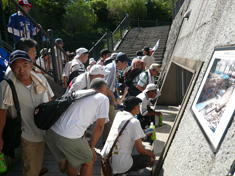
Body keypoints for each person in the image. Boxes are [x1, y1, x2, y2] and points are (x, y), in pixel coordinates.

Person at [0, 50, 54, 176]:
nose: (21, 70)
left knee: (67, 163)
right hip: (28, 134)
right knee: (30, 170)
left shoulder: (40, 79)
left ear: (31, 64)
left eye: (25, 65)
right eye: (16, 67)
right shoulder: (6, 86)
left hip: (49, 131)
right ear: (11, 69)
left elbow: (50, 100)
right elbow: (2, 113)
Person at [45, 78, 110, 176]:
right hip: (68, 136)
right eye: (107, 90)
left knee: (72, 159)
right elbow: (100, 126)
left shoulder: (80, 92)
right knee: (89, 160)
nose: (107, 93)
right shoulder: (102, 98)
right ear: (102, 89)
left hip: (52, 132)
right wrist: (91, 148)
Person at [101, 96, 155, 175]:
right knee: (150, 159)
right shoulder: (135, 122)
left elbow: (125, 131)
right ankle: (124, 172)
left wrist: (143, 132)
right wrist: (150, 153)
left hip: (106, 158)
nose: (140, 107)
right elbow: (140, 150)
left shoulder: (119, 114)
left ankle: (122, 172)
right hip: (121, 164)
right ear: (136, 107)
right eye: (139, 105)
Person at [102, 52, 130, 143]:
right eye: (125, 63)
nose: (127, 65)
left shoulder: (115, 68)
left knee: (108, 122)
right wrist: (112, 97)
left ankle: (106, 141)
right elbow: (104, 86)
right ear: (119, 63)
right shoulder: (111, 69)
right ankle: (110, 142)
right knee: (111, 121)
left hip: (107, 98)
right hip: (105, 98)